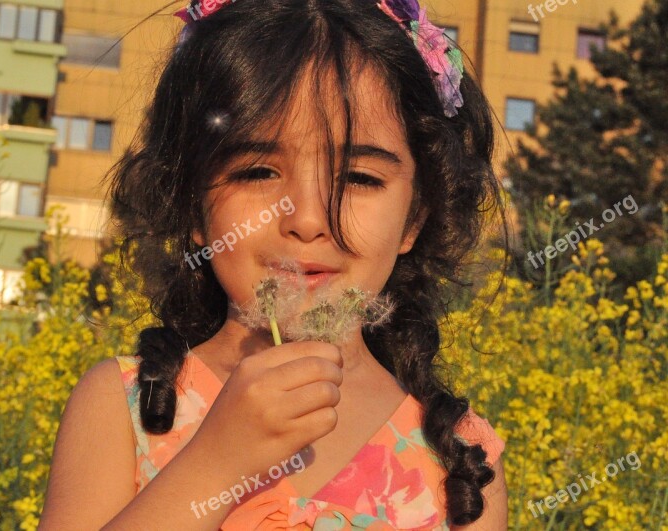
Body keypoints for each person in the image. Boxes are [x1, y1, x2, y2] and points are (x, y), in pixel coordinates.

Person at [41, 0, 510, 528]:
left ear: (415, 218)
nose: (306, 218)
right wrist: (216, 465)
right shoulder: (125, 407)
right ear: (192, 203)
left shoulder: (462, 461)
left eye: (359, 178)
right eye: (258, 172)